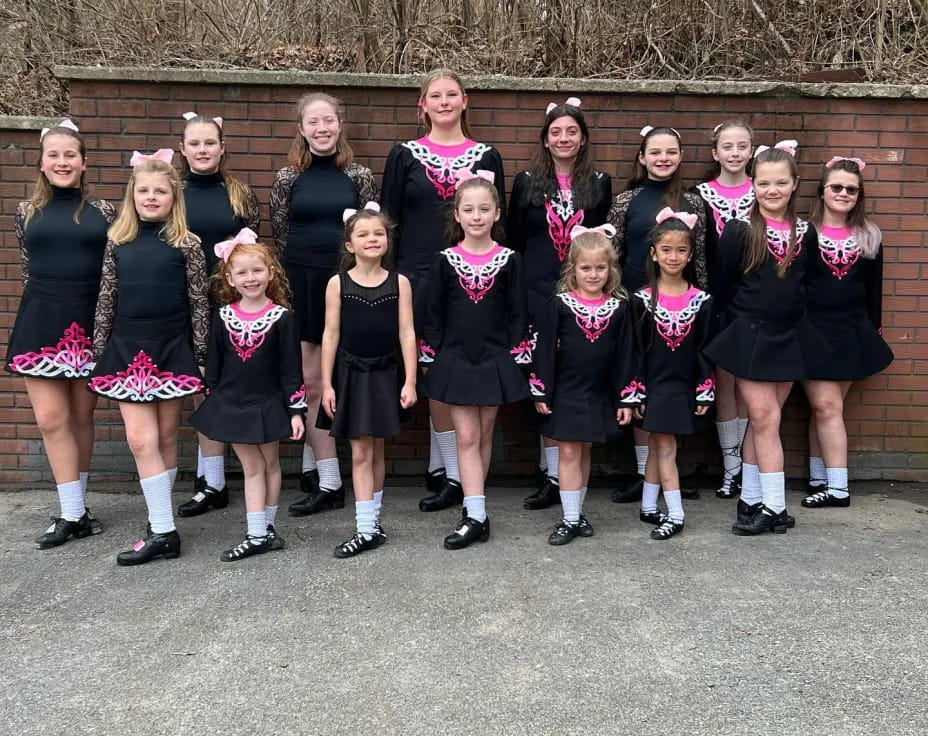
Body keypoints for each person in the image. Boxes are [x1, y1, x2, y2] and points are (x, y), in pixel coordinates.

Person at [381, 68, 506, 513]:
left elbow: (499, 225)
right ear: (423, 105)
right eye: (436, 95)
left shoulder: (487, 156)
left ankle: (455, 477)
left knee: (463, 368)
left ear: (465, 101)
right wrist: (389, 280)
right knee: (434, 371)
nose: (445, 102)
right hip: (417, 278)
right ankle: (447, 471)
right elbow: (389, 222)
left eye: (452, 94)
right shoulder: (404, 155)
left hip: (473, 279)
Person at [88, 150, 209, 564]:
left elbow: (199, 303)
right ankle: (163, 529)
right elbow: (106, 296)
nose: (151, 197)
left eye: (160, 191)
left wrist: (201, 353)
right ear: (132, 195)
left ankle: (160, 521)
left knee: (166, 437)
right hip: (127, 347)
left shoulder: (188, 243)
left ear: (174, 197)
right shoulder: (117, 241)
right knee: (141, 440)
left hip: (171, 346)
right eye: (144, 191)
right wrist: (99, 348)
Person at [5, 120, 116, 549]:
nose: (62, 162)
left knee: (81, 417)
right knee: (51, 420)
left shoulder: (104, 211)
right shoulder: (26, 212)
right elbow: (28, 267)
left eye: (71, 154)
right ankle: (72, 512)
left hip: (88, 320)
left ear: (84, 162)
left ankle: (78, 507)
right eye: (54, 155)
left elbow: (112, 271)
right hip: (41, 321)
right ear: (41, 162)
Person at [704, 142, 822, 536]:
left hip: (788, 335)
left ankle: (752, 498)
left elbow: (808, 285)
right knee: (765, 418)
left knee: (764, 422)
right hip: (748, 334)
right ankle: (775, 507)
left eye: (781, 183)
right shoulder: (739, 229)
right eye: (764, 183)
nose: (772, 190)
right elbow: (723, 286)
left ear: (795, 184)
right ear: (753, 184)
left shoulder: (806, 233)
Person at [270, 92, 377, 517]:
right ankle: (329, 481)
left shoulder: (359, 175)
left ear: (339, 124)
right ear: (301, 129)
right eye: (313, 122)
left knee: (342, 377)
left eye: (328, 120)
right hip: (301, 283)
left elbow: (369, 234)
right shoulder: (287, 178)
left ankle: (318, 466)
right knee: (311, 381)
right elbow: (280, 233)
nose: (321, 128)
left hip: (345, 284)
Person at [507, 97, 613, 512]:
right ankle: (549, 473)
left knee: (573, 377)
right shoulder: (527, 181)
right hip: (537, 294)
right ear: (545, 140)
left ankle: (565, 476)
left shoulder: (599, 183)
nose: (563, 138)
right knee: (543, 378)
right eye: (556, 132)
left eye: (571, 131)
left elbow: (601, 243)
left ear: (583, 138)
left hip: (581, 298)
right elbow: (516, 240)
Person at [420, 172, 530, 549]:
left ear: (497, 213)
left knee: (483, 434)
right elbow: (433, 313)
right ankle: (475, 516)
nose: (477, 216)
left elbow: (518, 312)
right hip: (457, 357)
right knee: (465, 435)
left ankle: (475, 510)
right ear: (457, 215)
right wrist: (432, 355)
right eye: (468, 209)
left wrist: (516, 356)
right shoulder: (445, 260)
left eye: (484, 209)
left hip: (495, 357)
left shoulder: (510, 260)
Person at [190, 229, 306, 560]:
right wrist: (212, 400)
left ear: (271, 273)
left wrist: (296, 410)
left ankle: (264, 530)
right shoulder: (222, 316)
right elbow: (214, 365)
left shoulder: (283, 318)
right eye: (242, 272)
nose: (250, 278)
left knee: (270, 464)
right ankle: (258, 534)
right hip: (232, 404)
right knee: (253, 466)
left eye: (257, 270)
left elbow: (290, 368)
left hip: (269, 403)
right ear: (230, 277)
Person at [608, 125, 706, 503]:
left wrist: (703, 303)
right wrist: (616, 303)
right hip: (638, 307)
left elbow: (701, 261)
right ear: (642, 157)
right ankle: (642, 473)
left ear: (680, 157)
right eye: (655, 152)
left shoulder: (694, 202)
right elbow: (613, 255)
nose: (663, 158)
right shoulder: (626, 201)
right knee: (642, 383)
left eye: (670, 152)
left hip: (680, 310)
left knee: (673, 384)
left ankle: (669, 473)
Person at [318, 203, 418, 558]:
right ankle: (364, 529)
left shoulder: (399, 283)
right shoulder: (338, 283)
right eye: (363, 234)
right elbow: (330, 335)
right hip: (351, 374)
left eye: (379, 233)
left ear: (388, 240)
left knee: (376, 450)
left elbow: (407, 333)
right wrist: (327, 384)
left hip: (387, 373)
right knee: (361, 451)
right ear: (350, 245)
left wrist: (410, 380)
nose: (372, 239)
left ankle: (372, 523)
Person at [176, 111, 261, 518]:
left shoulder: (240, 193)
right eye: (194, 143)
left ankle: (239, 474)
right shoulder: (173, 192)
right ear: (182, 149)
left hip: (232, 303)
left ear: (222, 147)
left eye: (209, 142)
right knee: (201, 386)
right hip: (185, 303)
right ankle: (211, 482)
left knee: (232, 382)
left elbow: (254, 250)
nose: (202, 150)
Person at [530, 225, 636, 546]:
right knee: (568, 450)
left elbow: (626, 355)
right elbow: (544, 350)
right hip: (566, 391)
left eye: (600, 268)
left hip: (598, 392)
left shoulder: (619, 308)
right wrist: (542, 390)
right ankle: (569, 518)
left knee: (585, 449)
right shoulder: (559, 304)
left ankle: (577, 512)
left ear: (611, 269)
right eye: (586, 268)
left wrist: (626, 398)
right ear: (573, 269)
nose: (593, 274)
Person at [801, 157, 893, 508]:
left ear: (859, 196)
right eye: (836, 187)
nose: (843, 194)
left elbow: (873, 290)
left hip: (853, 331)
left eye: (851, 190)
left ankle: (822, 480)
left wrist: (873, 328)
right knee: (826, 406)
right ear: (822, 191)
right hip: (814, 332)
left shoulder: (869, 236)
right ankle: (836, 488)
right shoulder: (805, 233)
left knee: (826, 409)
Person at [631, 210, 715, 540]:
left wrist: (705, 387)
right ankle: (674, 513)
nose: (673, 257)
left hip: (683, 384)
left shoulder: (702, 301)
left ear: (690, 255)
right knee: (663, 445)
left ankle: (650, 506)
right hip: (653, 385)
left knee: (661, 444)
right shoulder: (641, 300)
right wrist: (636, 389)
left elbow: (705, 349)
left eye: (681, 250)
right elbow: (636, 350)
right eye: (666, 249)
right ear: (653, 253)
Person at [694, 120, 755, 499]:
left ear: (752, 151)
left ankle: (749, 465)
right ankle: (731, 468)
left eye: (742, 146)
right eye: (727, 146)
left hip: (753, 301)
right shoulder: (699, 195)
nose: (735, 153)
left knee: (751, 386)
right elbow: (697, 251)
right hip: (716, 301)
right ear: (715, 153)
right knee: (724, 384)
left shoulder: (764, 191)